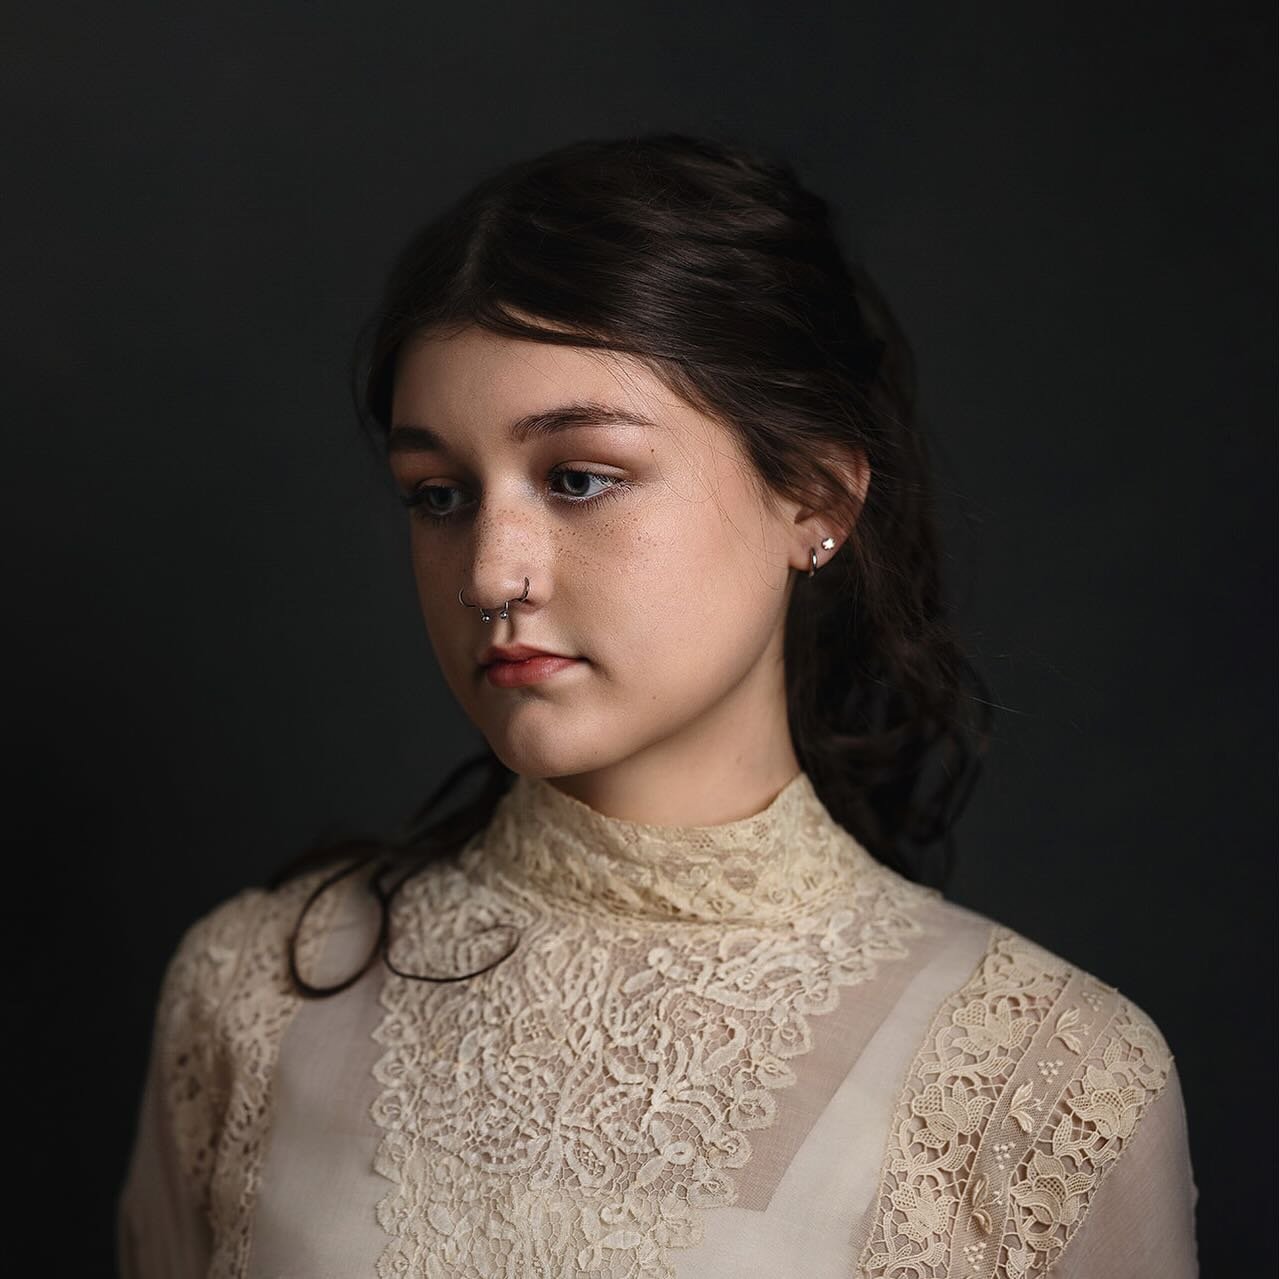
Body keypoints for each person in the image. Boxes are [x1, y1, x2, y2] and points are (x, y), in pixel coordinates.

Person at [117, 133, 1199, 1279]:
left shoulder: (1044, 1080)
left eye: (579, 476)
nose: (492, 571)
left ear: (814, 497)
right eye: (438, 495)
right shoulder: (255, 992)